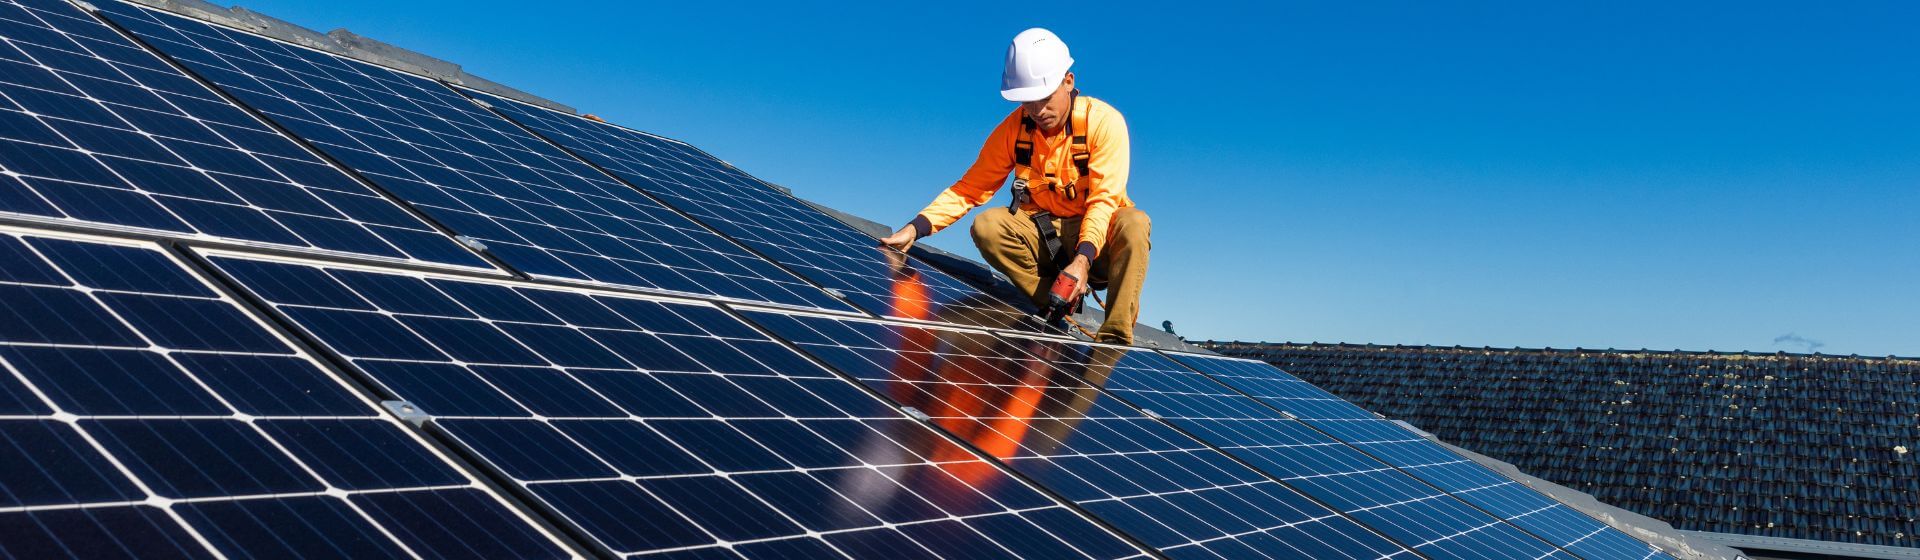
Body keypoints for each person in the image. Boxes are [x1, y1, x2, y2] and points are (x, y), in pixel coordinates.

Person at [878, 28, 1150, 344]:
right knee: (988, 226)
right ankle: (1055, 301)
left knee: (1135, 223)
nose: (1038, 111)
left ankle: (1114, 338)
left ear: (1068, 81)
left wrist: (1082, 260)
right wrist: (916, 228)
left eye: (1045, 99)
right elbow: (970, 188)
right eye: (1028, 102)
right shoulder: (1014, 130)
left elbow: (1104, 200)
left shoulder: (1103, 122)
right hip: (1044, 236)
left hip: (1098, 244)